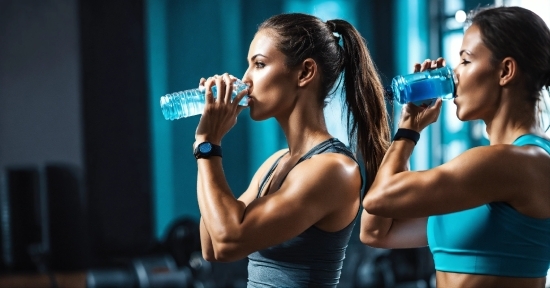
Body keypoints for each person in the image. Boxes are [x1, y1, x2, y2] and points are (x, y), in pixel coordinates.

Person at [193, 13, 390, 287]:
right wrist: (210, 142)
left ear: (305, 72)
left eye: (259, 65)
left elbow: (229, 241)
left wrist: (208, 144)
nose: (245, 80)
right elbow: (212, 246)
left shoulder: (334, 169)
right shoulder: (276, 163)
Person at [360, 6, 550, 288]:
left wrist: (406, 133)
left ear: (506, 71)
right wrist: (411, 126)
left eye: (465, 61)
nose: (454, 75)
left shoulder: (518, 161)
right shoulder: (486, 174)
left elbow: (378, 198)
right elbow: (376, 231)